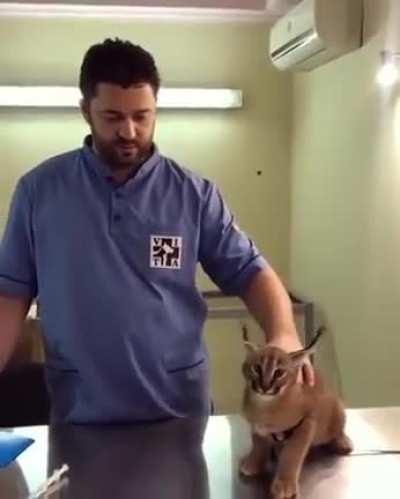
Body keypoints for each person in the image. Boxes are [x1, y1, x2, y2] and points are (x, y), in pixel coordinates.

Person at [0, 38, 313, 424]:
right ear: (85, 111)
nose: (129, 131)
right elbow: (10, 292)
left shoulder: (193, 195)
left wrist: (283, 334)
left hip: (177, 413)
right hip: (80, 414)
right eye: (113, 117)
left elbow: (250, 271)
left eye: (142, 116)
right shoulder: (40, 191)